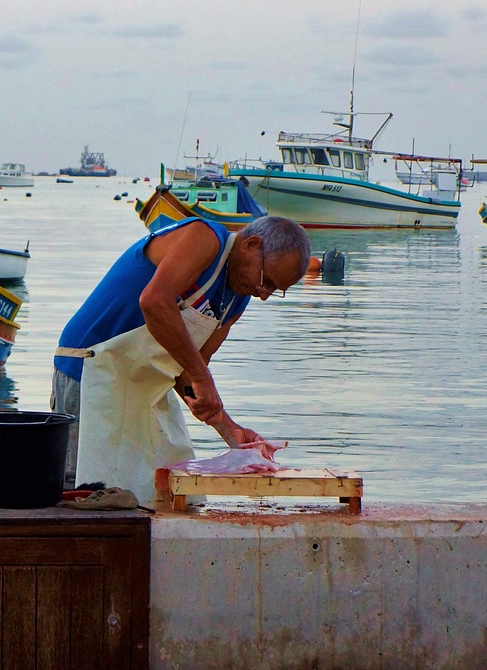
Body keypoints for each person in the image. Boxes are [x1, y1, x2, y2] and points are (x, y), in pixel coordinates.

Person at [52, 214, 311, 500]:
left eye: (275, 291)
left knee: (160, 493)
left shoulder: (237, 299)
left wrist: (230, 429)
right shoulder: (205, 237)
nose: (263, 294)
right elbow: (154, 301)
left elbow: (186, 373)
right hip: (88, 370)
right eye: (267, 281)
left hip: (143, 390)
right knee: (79, 492)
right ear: (251, 244)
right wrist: (202, 377)